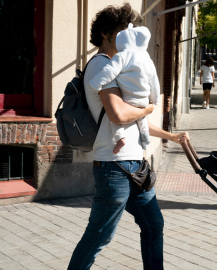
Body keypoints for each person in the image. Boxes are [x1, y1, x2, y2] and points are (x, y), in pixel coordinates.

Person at [68, 4, 189, 270]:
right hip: (114, 168)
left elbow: (136, 121)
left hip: (135, 166)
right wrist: (147, 107)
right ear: (105, 34)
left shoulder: (121, 66)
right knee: (99, 236)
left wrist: (172, 135)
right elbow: (119, 115)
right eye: (124, 33)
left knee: (154, 225)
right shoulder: (102, 65)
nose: (130, 40)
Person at [89, 23, 159, 154]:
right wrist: (153, 101)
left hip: (128, 97)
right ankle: (145, 139)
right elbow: (154, 80)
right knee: (141, 120)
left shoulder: (121, 56)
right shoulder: (146, 58)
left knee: (117, 123)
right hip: (144, 99)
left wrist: (96, 84)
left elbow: (109, 72)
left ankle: (120, 137)